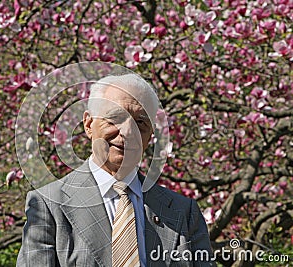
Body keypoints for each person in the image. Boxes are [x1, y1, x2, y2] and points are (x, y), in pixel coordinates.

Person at [17, 74, 214, 266]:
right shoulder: (48, 205)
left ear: (150, 135)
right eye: (116, 118)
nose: (128, 132)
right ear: (88, 124)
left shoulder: (183, 212)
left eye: (141, 123)